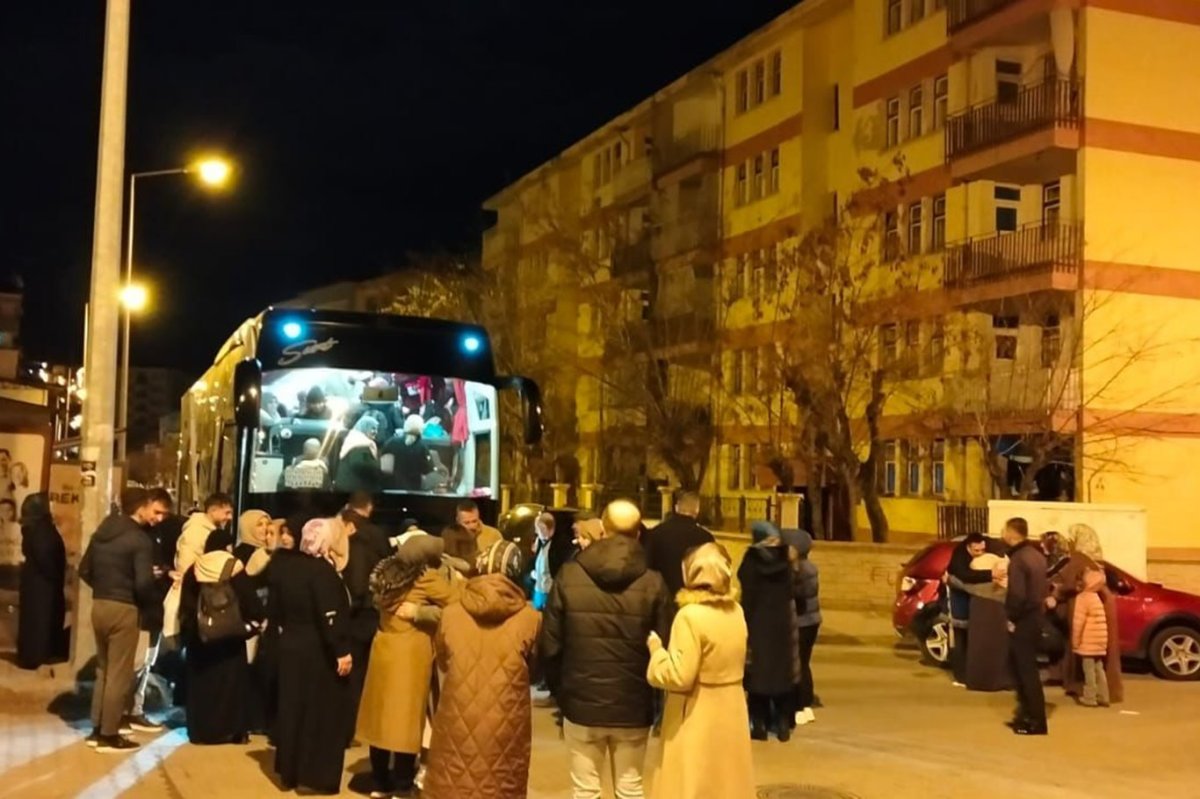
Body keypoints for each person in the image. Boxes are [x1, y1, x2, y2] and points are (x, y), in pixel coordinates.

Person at [540, 500, 671, 799]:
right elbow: (662, 645)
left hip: (581, 701)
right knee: (630, 789)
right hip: (633, 704)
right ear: (639, 533)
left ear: (603, 528)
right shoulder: (654, 583)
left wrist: (563, 691)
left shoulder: (570, 576)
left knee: (585, 791)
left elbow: (550, 645)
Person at [422, 541, 542, 799]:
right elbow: (534, 666)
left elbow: (442, 659)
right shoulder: (531, 618)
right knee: (501, 780)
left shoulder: (451, 613)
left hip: (457, 712)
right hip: (507, 720)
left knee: (453, 778)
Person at [647, 543, 755, 799]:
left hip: (696, 711)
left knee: (691, 782)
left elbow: (679, 676)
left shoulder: (690, 616)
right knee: (726, 782)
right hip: (732, 707)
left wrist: (657, 653)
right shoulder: (736, 611)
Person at [357, 534, 455, 798]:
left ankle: (379, 781)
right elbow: (458, 605)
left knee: (382, 719)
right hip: (411, 652)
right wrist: (422, 612)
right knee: (406, 721)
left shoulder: (384, 572)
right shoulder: (425, 577)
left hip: (383, 648)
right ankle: (402, 783)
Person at [78, 488, 169, 752]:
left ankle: (97, 728)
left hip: (100, 605)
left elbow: (85, 569)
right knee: (119, 674)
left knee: (104, 670)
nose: (158, 518)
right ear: (140, 507)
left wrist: (106, 587)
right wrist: (149, 589)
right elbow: (142, 585)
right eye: (153, 509)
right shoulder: (139, 540)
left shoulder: (103, 531)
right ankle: (109, 734)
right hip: (124, 609)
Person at [270, 516, 354, 794]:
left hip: (291, 645)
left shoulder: (287, 567)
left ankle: (289, 772)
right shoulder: (322, 572)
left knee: (292, 708)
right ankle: (314, 776)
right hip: (318, 651)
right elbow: (329, 614)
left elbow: (276, 609)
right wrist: (341, 650)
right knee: (320, 713)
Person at [178, 549, 265, 744]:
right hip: (231, 640)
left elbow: (186, 606)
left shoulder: (194, 569)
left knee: (201, 687)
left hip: (201, 639)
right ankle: (231, 731)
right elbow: (251, 603)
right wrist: (251, 625)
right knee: (231, 686)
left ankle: (200, 732)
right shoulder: (233, 568)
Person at [1050, 524, 1123, 703]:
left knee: (1085, 654)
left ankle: (1085, 690)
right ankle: (1107, 692)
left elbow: (1070, 583)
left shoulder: (1078, 559)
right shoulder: (1097, 561)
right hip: (1103, 606)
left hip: (1084, 609)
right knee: (1102, 658)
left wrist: (1055, 592)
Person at [739, 521, 798, 742]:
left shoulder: (750, 561)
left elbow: (748, 594)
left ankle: (759, 726)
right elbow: (794, 589)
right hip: (781, 624)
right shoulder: (787, 559)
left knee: (758, 676)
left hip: (757, 624)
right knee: (782, 675)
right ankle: (783, 726)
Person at [339, 504, 392, 747]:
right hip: (375, 614)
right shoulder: (377, 540)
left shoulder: (356, 546)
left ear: (350, 525)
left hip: (359, 617)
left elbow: (357, 586)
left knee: (353, 675)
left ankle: (348, 730)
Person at [126, 487, 176, 733]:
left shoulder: (156, 534)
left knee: (146, 662)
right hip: (141, 609)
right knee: (135, 663)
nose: (159, 518)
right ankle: (125, 712)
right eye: (157, 512)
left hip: (154, 607)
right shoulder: (134, 534)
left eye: (164, 515)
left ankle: (136, 709)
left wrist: (165, 572)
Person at [1002, 517, 1049, 736]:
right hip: (1036, 616)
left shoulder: (1019, 559)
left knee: (1024, 671)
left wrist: (1011, 617)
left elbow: (1017, 595)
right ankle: (1026, 716)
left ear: (1012, 533)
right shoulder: (1037, 556)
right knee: (1027, 669)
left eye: (1004, 530)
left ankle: (1034, 720)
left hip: (1024, 619)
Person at [16, 493, 67, 669]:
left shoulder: (33, 529)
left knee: (34, 622)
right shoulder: (41, 531)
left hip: (35, 584)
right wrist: (54, 575)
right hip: (43, 587)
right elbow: (45, 557)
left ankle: (32, 654)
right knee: (40, 622)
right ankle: (37, 656)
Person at [644, 491, 714, 598]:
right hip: (692, 597)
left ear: (676, 508)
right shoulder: (705, 537)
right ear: (697, 510)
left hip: (661, 594)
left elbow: (648, 565)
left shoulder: (656, 532)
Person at [945, 532, 993, 687]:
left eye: (982, 550)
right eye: (976, 551)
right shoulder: (959, 557)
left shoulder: (975, 551)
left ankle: (968, 673)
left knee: (967, 640)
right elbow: (966, 576)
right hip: (959, 602)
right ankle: (960, 676)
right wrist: (991, 574)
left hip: (969, 601)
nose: (980, 554)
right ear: (968, 547)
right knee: (960, 639)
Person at [962, 550, 1012, 692]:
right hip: (997, 612)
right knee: (997, 647)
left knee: (979, 646)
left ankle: (979, 680)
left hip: (980, 611)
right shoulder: (1002, 589)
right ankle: (997, 680)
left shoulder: (979, 589)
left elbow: (966, 584)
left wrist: (950, 579)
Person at [790, 528, 822, 726]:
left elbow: (799, 593)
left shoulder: (802, 570)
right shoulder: (808, 567)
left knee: (799, 664)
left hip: (803, 622)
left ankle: (800, 705)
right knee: (803, 662)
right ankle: (806, 704)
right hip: (811, 620)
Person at [1072, 566, 1111, 707]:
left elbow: (1078, 623)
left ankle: (1090, 697)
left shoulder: (1083, 598)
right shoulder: (1096, 597)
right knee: (1099, 668)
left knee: (1088, 670)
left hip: (1088, 641)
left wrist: (1075, 642)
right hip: (1099, 641)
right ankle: (1104, 695)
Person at [382, 414, 433, 491]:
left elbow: (384, 468)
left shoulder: (391, 442)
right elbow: (427, 470)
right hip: (412, 490)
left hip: (391, 489)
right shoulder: (422, 447)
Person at [335, 415, 383, 493]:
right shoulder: (361, 444)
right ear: (364, 428)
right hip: (354, 489)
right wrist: (378, 466)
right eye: (373, 428)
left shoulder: (354, 440)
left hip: (347, 487)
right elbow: (360, 464)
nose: (376, 432)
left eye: (377, 429)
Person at [233, 509, 273, 577]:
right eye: (259, 525)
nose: (265, 528)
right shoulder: (241, 553)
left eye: (268, 524)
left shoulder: (271, 550)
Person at [531, 512, 557, 611]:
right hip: (539, 589)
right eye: (537, 529)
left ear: (551, 530)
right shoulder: (540, 543)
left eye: (541, 529)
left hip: (548, 591)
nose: (538, 532)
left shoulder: (554, 547)